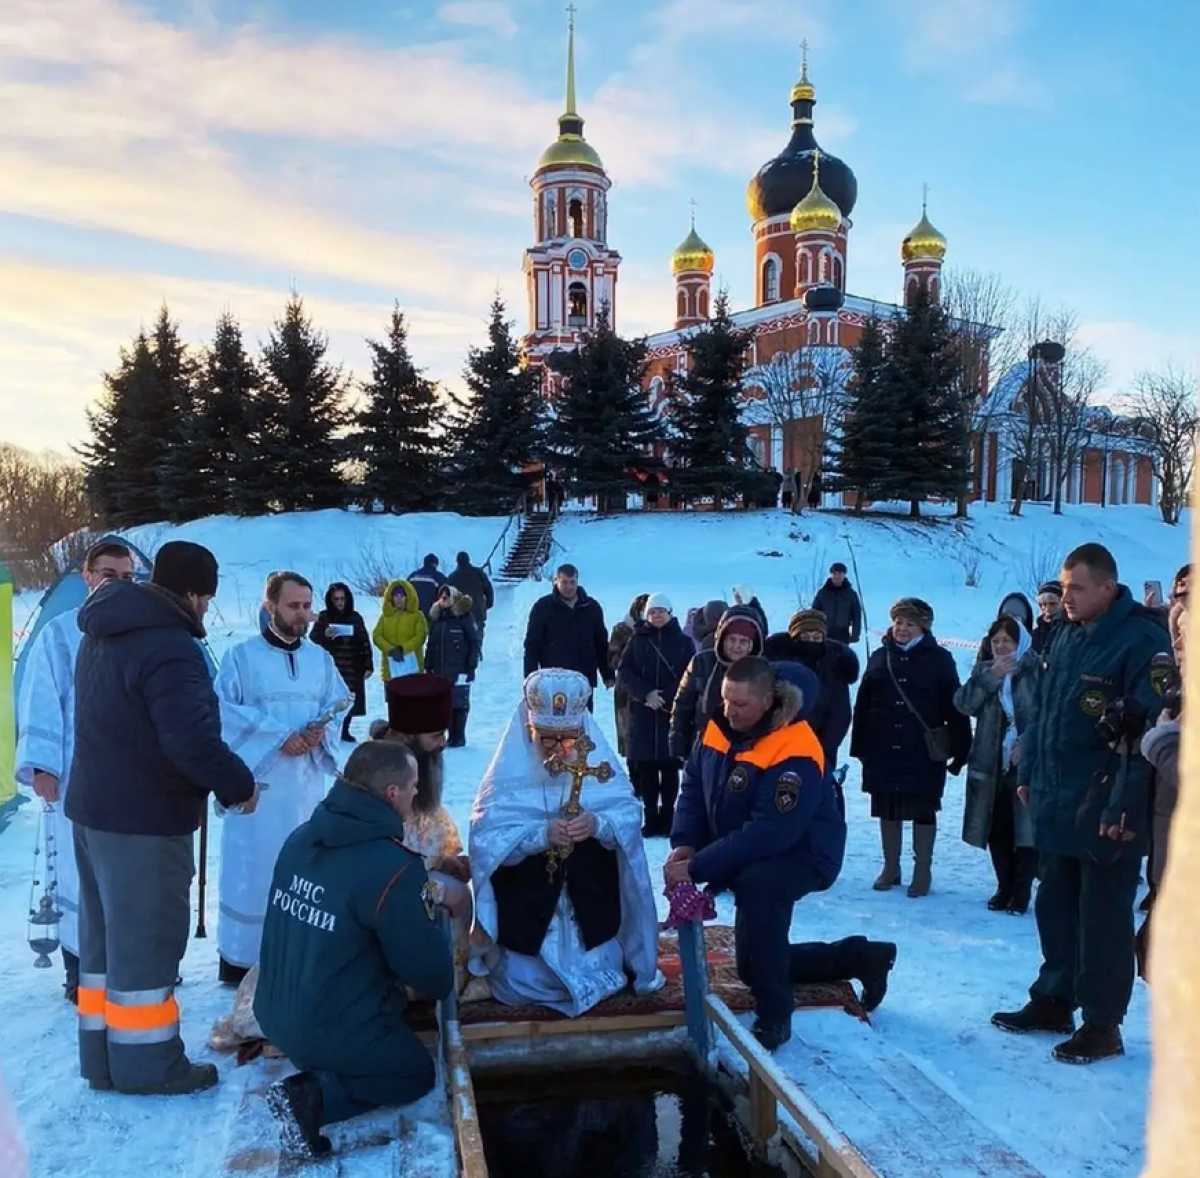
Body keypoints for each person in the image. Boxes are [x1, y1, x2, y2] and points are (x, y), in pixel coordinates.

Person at [68, 541, 257, 1095]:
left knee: (103, 948)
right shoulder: (170, 647)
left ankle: (102, 1059)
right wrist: (239, 785)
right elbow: (190, 742)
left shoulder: (102, 631)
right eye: (206, 598)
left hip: (94, 813)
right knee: (146, 947)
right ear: (194, 593)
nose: (205, 610)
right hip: (143, 822)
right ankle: (149, 1066)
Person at [993, 543, 1171, 1064]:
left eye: (1077, 588)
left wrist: (1124, 805)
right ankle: (1053, 997)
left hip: (1106, 803)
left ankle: (1101, 1023)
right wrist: (1029, 772)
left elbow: (1144, 733)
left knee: (1102, 917)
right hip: (1057, 795)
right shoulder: (1068, 634)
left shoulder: (1140, 640)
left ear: (1108, 588)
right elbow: (1045, 712)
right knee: (1056, 904)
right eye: (1063, 586)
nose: (1064, 597)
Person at [666, 657, 895, 1050]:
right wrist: (685, 841)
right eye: (725, 700)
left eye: (740, 705)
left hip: (802, 852)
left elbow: (771, 832)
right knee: (753, 967)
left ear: (768, 701)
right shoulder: (718, 726)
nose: (729, 711)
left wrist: (699, 866)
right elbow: (693, 786)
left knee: (760, 887)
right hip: (751, 846)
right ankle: (860, 957)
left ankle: (775, 1014)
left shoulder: (797, 748)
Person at [256, 741, 460, 1159]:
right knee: (414, 1072)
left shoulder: (300, 839)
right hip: (323, 1029)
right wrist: (437, 919)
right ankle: (313, 1099)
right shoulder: (393, 868)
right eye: (413, 787)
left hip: (274, 1014)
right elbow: (433, 976)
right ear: (392, 794)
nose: (417, 796)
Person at [468, 669, 664, 1016]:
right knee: (524, 975)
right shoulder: (507, 772)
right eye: (547, 738)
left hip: (589, 900)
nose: (559, 749)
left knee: (600, 963)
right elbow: (486, 841)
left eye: (569, 738)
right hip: (528, 914)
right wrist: (538, 836)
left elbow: (628, 816)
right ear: (529, 731)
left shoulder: (597, 765)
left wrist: (598, 824)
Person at [15, 540, 136, 1003]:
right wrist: (43, 765)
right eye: (108, 574)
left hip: (129, 778)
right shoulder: (60, 633)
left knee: (127, 872)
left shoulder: (140, 632)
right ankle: (79, 968)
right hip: (75, 774)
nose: (117, 583)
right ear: (87, 576)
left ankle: (128, 964)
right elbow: (42, 697)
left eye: (126, 577)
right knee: (76, 872)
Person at [214, 572, 349, 985]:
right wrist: (277, 739)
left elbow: (340, 701)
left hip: (306, 788)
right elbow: (220, 712)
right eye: (294, 606)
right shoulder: (240, 657)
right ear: (269, 607)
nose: (304, 615)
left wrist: (320, 730)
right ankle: (243, 960)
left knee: (303, 870)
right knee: (254, 871)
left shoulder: (319, 659)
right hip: (258, 791)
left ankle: (298, 956)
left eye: (308, 606)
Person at [851, 598, 972, 898]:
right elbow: (863, 704)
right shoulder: (880, 656)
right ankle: (891, 867)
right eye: (898, 622)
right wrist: (861, 746)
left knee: (923, 808)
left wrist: (960, 748)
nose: (902, 629)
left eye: (909, 624)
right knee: (887, 807)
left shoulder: (941, 659)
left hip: (922, 749)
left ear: (923, 628)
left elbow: (954, 706)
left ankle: (922, 870)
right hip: (883, 747)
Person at [954, 616, 1039, 914]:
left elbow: (1048, 714)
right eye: (996, 641)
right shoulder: (983, 670)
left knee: (1025, 828)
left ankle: (1021, 890)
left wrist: (1027, 744)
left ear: (1021, 643)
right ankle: (1003, 886)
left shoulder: (1036, 671)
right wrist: (991, 676)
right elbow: (963, 704)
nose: (1001, 647)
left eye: (1008, 641)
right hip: (990, 761)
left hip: (1026, 762)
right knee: (996, 826)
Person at [617, 593, 694, 837]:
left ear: (670, 613)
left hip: (672, 712)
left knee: (670, 770)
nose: (656, 615)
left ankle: (669, 818)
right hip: (643, 714)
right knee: (648, 770)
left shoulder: (683, 642)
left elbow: (689, 673)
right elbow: (624, 673)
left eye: (661, 611)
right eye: (652, 612)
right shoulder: (636, 641)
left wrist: (668, 696)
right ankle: (651, 818)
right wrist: (646, 693)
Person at [763, 608, 859, 771]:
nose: (810, 642)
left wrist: (827, 744)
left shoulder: (835, 664)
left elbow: (840, 712)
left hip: (823, 746)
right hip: (781, 745)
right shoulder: (780, 665)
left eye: (816, 637)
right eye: (805, 637)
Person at [670, 606, 763, 761]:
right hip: (705, 747)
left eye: (743, 641)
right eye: (732, 639)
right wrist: (678, 743)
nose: (737, 646)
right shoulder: (702, 662)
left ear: (753, 644)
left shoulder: (762, 670)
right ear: (721, 638)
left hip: (748, 752)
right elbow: (682, 706)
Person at [523, 564, 613, 705]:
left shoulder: (591, 607)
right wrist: (530, 680)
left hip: (583, 680)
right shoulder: (543, 607)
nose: (569, 586)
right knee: (553, 725)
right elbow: (532, 646)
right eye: (564, 582)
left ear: (577, 581)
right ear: (556, 581)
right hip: (553, 680)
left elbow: (601, 643)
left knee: (582, 724)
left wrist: (607, 674)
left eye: (572, 582)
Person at [311, 582, 373, 743]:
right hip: (331, 666)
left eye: (342, 599)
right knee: (331, 699)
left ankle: (345, 730)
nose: (339, 602)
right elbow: (313, 639)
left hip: (352, 666)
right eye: (336, 599)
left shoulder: (355, 617)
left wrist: (368, 665)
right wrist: (324, 634)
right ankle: (329, 730)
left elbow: (365, 641)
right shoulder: (324, 617)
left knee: (350, 699)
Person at [424, 585, 479, 747]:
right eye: (441, 596)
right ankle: (448, 735)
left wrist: (471, 666)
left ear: (454, 597)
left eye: (447, 595)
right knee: (443, 703)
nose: (444, 598)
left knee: (459, 702)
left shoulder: (464, 618)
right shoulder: (437, 619)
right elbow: (431, 645)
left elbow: (473, 643)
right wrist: (428, 665)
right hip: (439, 670)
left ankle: (459, 736)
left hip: (459, 669)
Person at [607, 593, 650, 761]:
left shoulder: (656, 632)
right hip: (626, 690)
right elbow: (612, 660)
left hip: (650, 687)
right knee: (629, 735)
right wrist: (631, 650)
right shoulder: (622, 630)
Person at [373, 579, 428, 680]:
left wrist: (402, 649)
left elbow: (420, 637)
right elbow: (376, 636)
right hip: (390, 672)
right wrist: (391, 650)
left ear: (408, 597)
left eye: (402, 596)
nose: (398, 599)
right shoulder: (385, 617)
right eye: (395, 596)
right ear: (391, 597)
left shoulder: (417, 616)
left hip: (412, 670)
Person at [447, 550, 495, 654]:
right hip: (477, 610)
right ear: (469, 560)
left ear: (457, 562)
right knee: (478, 630)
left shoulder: (452, 577)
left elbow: (447, 595)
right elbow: (488, 588)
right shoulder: (479, 573)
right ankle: (477, 651)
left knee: (462, 631)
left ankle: (463, 651)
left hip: (461, 611)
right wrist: (489, 603)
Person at [976, 591, 1035, 662]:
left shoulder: (1032, 644)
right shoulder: (987, 644)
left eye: (1017, 618)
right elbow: (978, 670)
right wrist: (993, 671)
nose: (1012, 621)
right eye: (1008, 616)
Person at [811, 563, 862, 645]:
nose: (837, 576)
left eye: (840, 574)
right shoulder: (823, 593)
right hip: (825, 633)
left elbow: (857, 615)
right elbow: (814, 613)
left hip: (843, 634)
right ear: (831, 575)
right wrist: (813, 631)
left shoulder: (851, 594)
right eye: (835, 574)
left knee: (842, 656)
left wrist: (855, 634)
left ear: (844, 575)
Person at [1032, 581, 1064, 654]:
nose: (1047, 609)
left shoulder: (1073, 631)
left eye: (1052, 604)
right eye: (1042, 605)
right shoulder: (1034, 635)